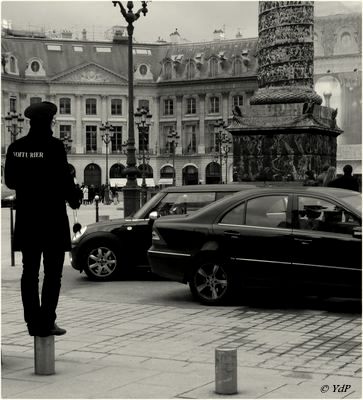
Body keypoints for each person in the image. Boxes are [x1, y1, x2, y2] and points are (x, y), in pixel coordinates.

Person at [5, 101, 83, 337]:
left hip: (28, 219)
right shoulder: (54, 146)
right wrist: (75, 197)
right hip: (52, 220)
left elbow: (10, 182)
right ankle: (47, 320)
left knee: (29, 272)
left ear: (30, 122)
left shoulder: (15, 147)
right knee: (53, 274)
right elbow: (64, 182)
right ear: (49, 122)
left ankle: (32, 322)